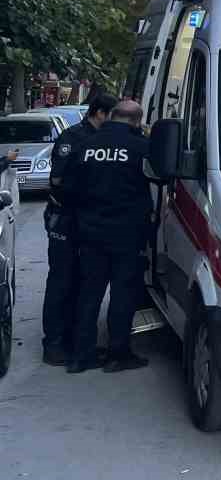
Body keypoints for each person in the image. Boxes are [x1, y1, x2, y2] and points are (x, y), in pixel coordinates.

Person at [61, 99, 156, 374]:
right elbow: (160, 178)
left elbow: (67, 187)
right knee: (122, 294)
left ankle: (82, 356)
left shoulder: (86, 145)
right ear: (137, 122)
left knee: (88, 293)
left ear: (112, 116)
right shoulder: (141, 147)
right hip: (127, 232)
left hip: (89, 231)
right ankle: (118, 354)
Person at [41, 92, 116, 366]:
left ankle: (75, 341)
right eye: (112, 115)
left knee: (82, 281)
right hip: (65, 217)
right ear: (99, 113)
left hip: (85, 220)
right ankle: (53, 345)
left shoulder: (98, 140)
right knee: (61, 281)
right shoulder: (72, 138)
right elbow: (57, 180)